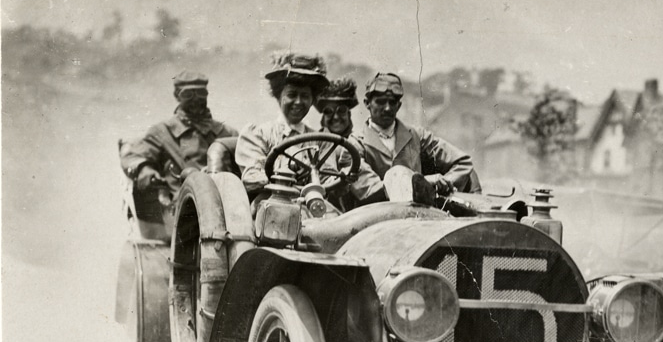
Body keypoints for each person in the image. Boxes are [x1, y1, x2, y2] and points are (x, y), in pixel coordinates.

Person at [235, 53, 385, 206]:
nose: (299, 102)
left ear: (312, 99)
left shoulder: (321, 141)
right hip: (272, 207)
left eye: (305, 96)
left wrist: (343, 179)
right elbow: (251, 178)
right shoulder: (257, 134)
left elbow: (328, 180)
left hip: (314, 208)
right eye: (292, 95)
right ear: (279, 96)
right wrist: (286, 177)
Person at [355, 72, 482, 198]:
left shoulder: (417, 136)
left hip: (417, 214)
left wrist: (444, 183)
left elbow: (463, 162)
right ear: (367, 103)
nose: (387, 108)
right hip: (376, 215)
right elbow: (369, 188)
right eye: (381, 102)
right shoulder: (356, 145)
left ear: (399, 105)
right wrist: (424, 183)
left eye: (392, 102)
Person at [120, 71, 237, 200]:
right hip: (182, 207)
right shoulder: (162, 132)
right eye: (188, 94)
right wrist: (144, 169)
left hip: (227, 202)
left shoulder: (227, 133)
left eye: (200, 93)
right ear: (177, 96)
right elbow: (132, 156)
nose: (196, 99)